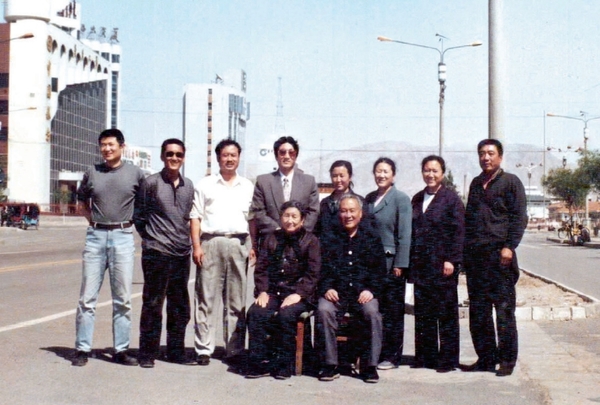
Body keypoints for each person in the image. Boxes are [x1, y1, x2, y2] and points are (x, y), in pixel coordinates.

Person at [72, 128, 145, 367]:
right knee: (87, 298)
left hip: (123, 236)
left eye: (111, 145)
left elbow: (144, 204)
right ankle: (82, 348)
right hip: (96, 236)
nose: (107, 149)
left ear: (122, 146)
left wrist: (134, 225)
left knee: (122, 299)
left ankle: (121, 350)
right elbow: (81, 202)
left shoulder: (135, 174)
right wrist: (92, 222)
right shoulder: (92, 172)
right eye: (103, 145)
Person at [463, 139, 527, 377]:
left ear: (500, 156)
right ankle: (486, 358)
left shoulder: (511, 182)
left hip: (501, 257)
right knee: (478, 312)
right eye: (482, 153)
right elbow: (469, 220)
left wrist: (510, 246)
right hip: (476, 258)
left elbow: (519, 217)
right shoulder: (476, 183)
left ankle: (507, 360)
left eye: (490, 153)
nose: (485, 158)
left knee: (503, 311)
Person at [190, 139, 254, 368]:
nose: (229, 159)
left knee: (236, 300)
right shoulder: (205, 184)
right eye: (225, 155)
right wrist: (197, 246)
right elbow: (195, 216)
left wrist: (252, 245)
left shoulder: (247, 186)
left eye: (233, 155)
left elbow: (252, 219)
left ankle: (234, 349)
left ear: (239, 158)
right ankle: (203, 348)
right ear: (218, 158)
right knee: (206, 299)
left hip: (238, 243)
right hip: (211, 243)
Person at [134, 138, 195, 368]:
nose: (174, 158)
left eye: (179, 155)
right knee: (153, 303)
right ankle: (147, 353)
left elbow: (189, 218)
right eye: (170, 154)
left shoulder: (189, 186)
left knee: (179, 305)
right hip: (157, 253)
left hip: (181, 253)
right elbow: (139, 216)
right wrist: (151, 239)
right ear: (162, 156)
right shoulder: (150, 183)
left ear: (183, 158)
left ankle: (175, 351)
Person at [246, 200, 320, 380]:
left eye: (295, 216)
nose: (290, 220)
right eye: (286, 216)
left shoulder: (311, 241)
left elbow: (313, 273)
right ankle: (259, 362)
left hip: (298, 295)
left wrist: (299, 294)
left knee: (287, 315)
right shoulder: (271, 238)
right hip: (273, 292)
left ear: (302, 220)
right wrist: (262, 291)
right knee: (256, 312)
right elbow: (261, 269)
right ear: (280, 218)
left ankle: (285, 363)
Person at [317, 194, 386, 384]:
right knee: (323, 310)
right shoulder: (329, 237)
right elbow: (319, 268)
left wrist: (371, 290)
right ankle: (330, 365)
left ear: (361, 213)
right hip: (336, 293)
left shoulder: (371, 237)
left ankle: (370, 366)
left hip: (362, 293)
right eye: (344, 211)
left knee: (372, 312)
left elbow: (380, 271)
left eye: (352, 210)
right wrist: (326, 288)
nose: (348, 215)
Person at [410, 155, 465, 372]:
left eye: (434, 170)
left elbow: (459, 232)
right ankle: (425, 356)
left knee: (445, 313)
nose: (430, 174)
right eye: (426, 170)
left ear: (442, 173)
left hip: (443, 265)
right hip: (421, 265)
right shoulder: (416, 198)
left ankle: (448, 359)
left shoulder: (451, 199)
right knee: (423, 312)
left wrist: (452, 259)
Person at [364, 157, 411, 370]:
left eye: (385, 171)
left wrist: (400, 264)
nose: (381, 175)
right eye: (378, 171)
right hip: (371, 264)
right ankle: (373, 353)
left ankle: (392, 356)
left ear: (393, 175)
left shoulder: (400, 199)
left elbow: (405, 234)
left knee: (393, 312)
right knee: (375, 309)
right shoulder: (368, 199)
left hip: (392, 264)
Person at [250, 136, 319, 251]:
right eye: (282, 152)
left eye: (291, 153)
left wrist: (298, 231)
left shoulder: (309, 181)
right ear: (276, 155)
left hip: (300, 244)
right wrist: (278, 230)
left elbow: (314, 211)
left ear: (296, 155)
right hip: (272, 242)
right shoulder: (263, 181)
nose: (287, 156)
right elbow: (258, 211)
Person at [315, 160, 363, 237]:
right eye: (334, 176)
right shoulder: (325, 203)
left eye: (341, 176)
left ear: (349, 177)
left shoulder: (359, 201)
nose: (338, 180)